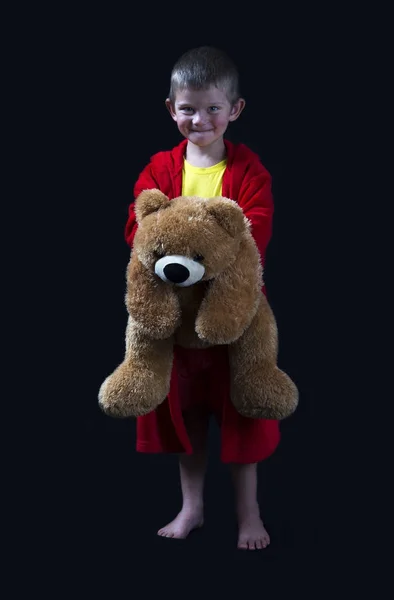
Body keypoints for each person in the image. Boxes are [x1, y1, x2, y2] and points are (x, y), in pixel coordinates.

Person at [125, 46, 279, 550]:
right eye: (188, 108)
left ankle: (248, 514)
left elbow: (254, 234)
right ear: (171, 108)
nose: (200, 119)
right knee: (184, 414)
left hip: (233, 314)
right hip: (175, 316)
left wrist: (211, 253)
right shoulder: (158, 169)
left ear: (234, 109)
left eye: (213, 108)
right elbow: (140, 227)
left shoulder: (249, 172)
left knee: (242, 414)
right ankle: (191, 507)